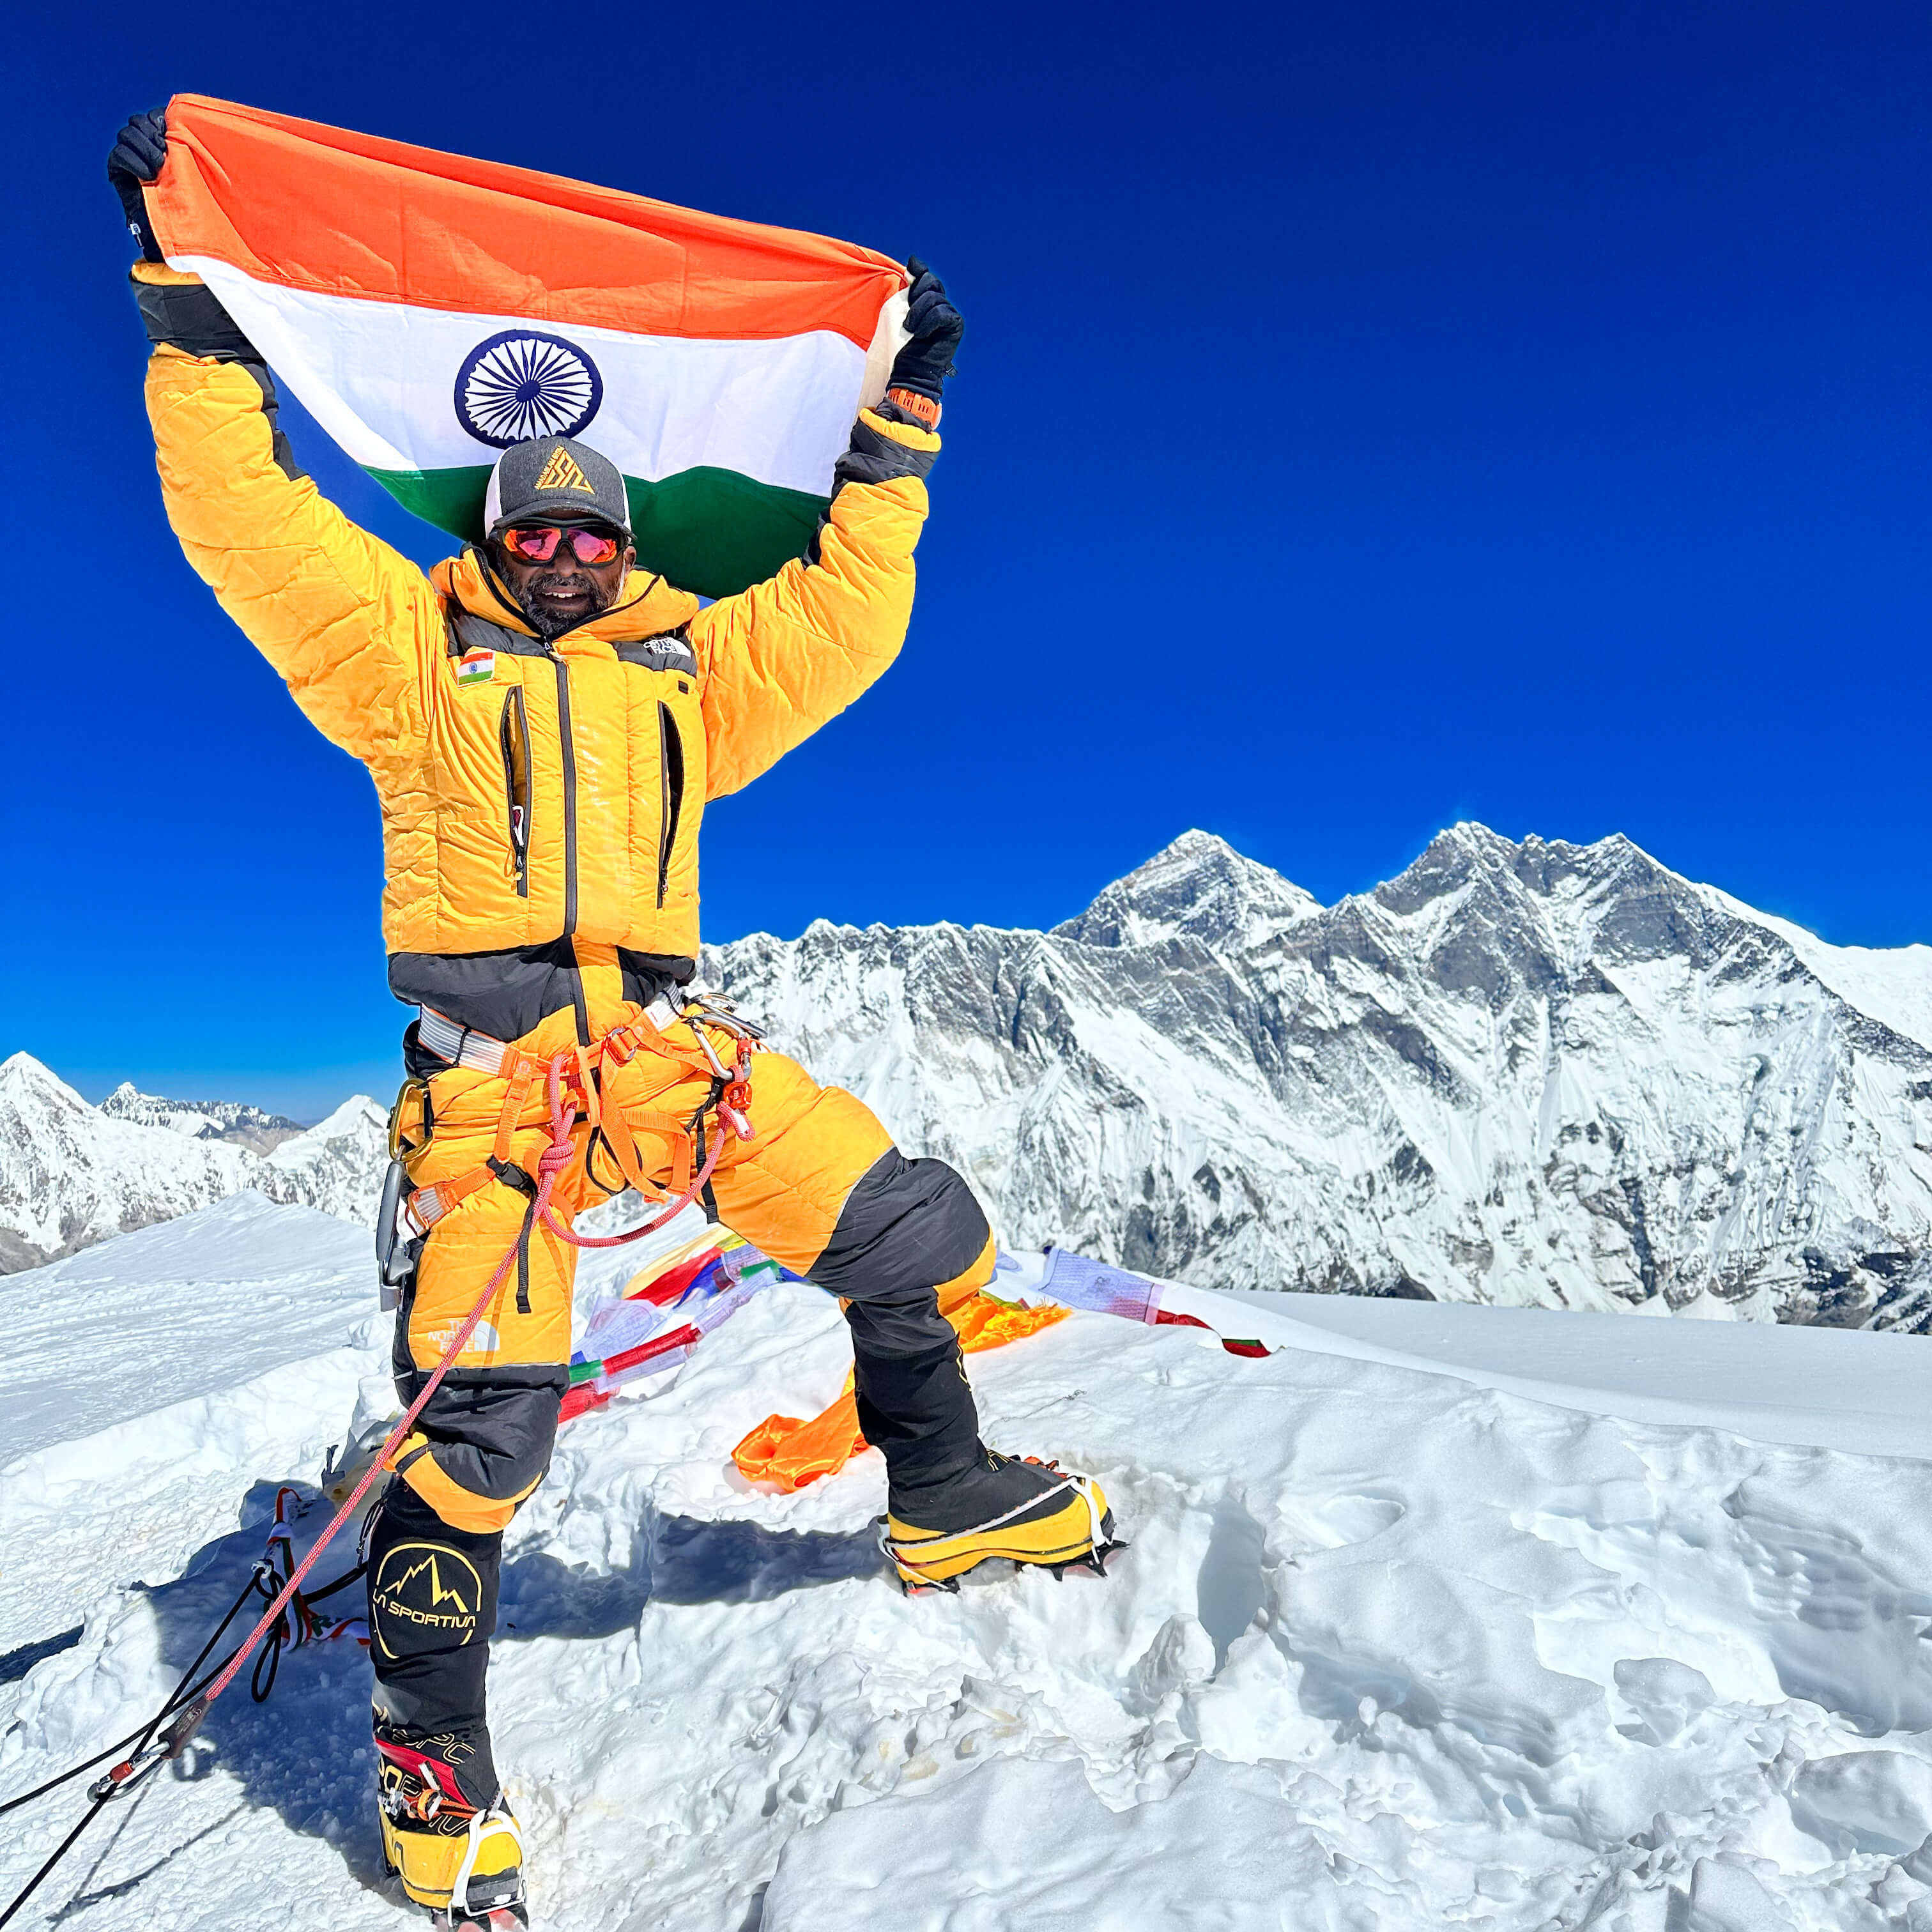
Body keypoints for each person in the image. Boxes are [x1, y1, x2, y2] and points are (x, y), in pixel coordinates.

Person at [109, 108, 1116, 1932]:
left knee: (914, 1231)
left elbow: (843, 618)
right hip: (494, 1098)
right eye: (535, 524)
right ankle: (429, 1760)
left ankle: (947, 1490)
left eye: (589, 525)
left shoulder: (687, 679)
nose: (564, 545)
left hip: (668, 1066)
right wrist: (190, 311)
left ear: (619, 540)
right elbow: (247, 522)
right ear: (495, 534)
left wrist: (892, 440)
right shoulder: (407, 656)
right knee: (482, 1427)